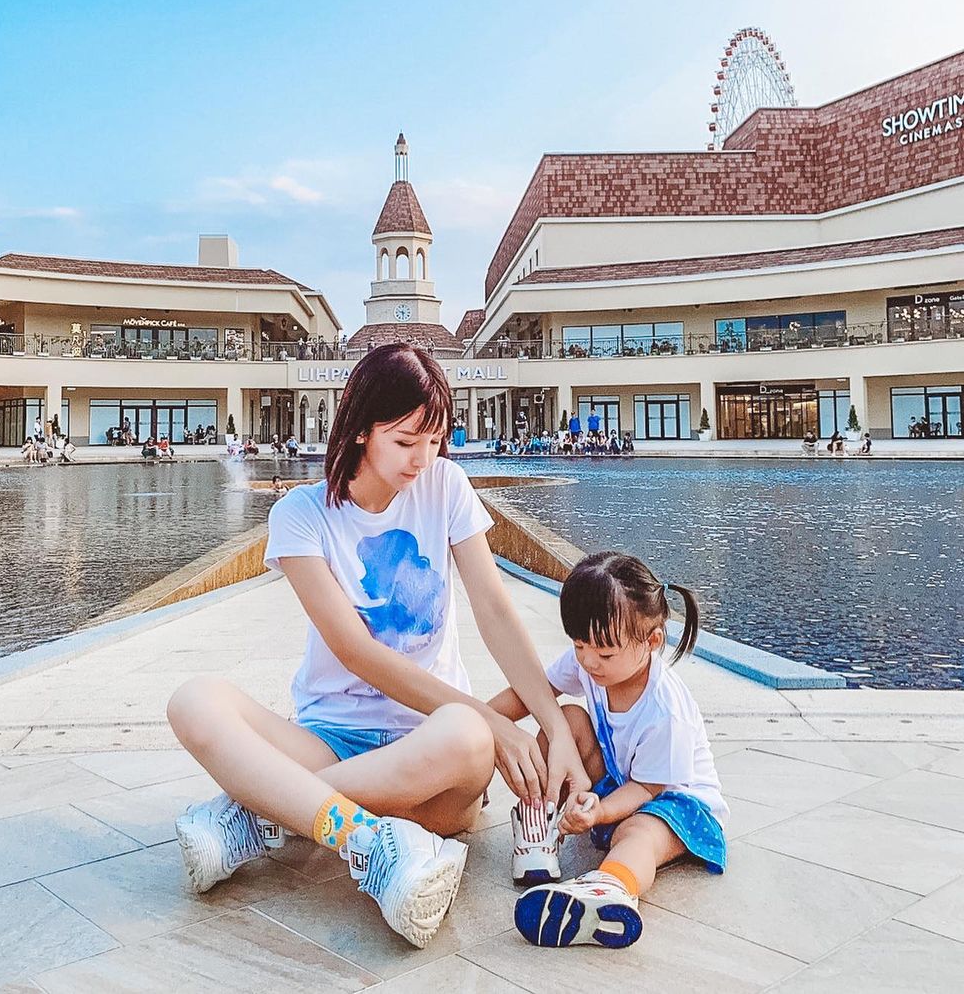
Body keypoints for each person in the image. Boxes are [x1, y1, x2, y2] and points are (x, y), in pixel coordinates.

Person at [167, 344, 589, 949]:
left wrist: (544, 723)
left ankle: (266, 808)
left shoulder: (446, 486)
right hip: (330, 738)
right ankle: (367, 840)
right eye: (405, 440)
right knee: (193, 700)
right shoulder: (302, 514)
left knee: (467, 733)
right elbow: (354, 651)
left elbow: (495, 611)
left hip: (432, 751)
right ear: (362, 428)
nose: (424, 457)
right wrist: (495, 726)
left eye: (435, 438)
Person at [489, 551, 727, 949]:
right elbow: (534, 693)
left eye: (604, 652)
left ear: (652, 641)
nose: (588, 661)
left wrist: (600, 810)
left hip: (677, 804)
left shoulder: (664, 710)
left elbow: (647, 790)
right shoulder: (591, 659)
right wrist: (481, 720)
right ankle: (539, 820)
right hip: (621, 779)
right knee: (564, 718)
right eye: (579, 645)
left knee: (637, 832)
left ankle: (611, 887)